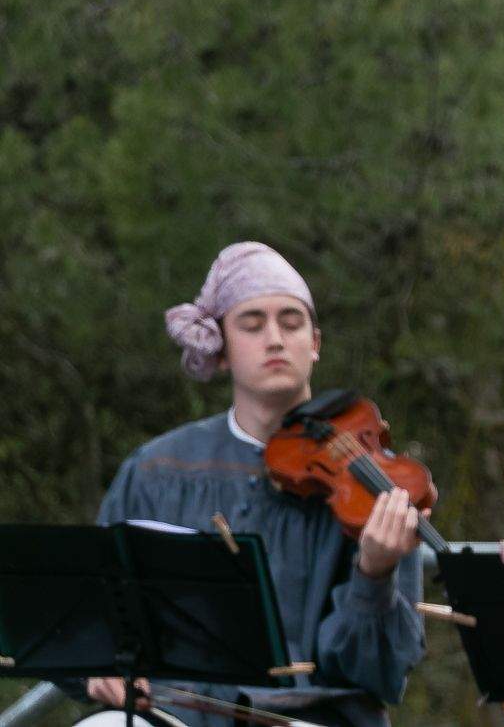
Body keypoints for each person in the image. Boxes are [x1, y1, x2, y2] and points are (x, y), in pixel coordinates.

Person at [78, 242, 426, 727]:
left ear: (316, 342)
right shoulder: (159, 469)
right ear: (221, 352)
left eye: (291, 321)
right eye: (252, 324)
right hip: (177, 715)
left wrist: (374, 573)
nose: (275, 339)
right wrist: (99, 669)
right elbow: (94, 613)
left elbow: (377, 674)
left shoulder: (373, 486)